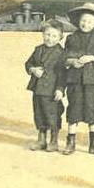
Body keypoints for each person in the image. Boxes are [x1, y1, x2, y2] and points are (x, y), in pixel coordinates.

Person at [61, 2, 94, 155]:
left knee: (93, 109)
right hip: (75, 80)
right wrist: (72, 62)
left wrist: (92, 58)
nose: (85, 23)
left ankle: (93, 144)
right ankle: (70, 142)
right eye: (83, 20)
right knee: (74, 108)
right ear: (78, 21)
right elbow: (64, 56)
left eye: (90, 21)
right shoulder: (71, 37)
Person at [24, 19, 68, 152]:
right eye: (47, 34)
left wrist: (60, 89)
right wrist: (33, 70)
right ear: (43, 34)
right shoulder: (38, 50)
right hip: (37, 89)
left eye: (54, 36)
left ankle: (53, 141)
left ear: (60, 37)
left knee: (52, 115)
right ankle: (41, 140)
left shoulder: (61, 53)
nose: (50, 38)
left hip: (51, 90)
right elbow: (28, 63)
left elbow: (63, 74)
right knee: (39, 114)